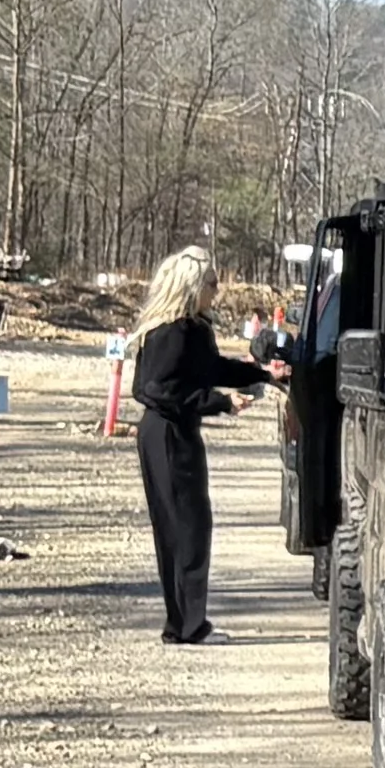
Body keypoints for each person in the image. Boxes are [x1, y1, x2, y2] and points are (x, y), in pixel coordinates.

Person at [126, 245, 275, 643]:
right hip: (168, 432)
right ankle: (190, 625)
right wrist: (222, 402)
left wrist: (260, 375)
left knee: (179, 527)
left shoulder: (189, 329)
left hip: (169, 430)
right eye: (212, 283)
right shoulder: (172, 332)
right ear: (192, 286)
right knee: (188, 527)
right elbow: (161, 390)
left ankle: (181, 624)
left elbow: (211, 369)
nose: (218, 290)